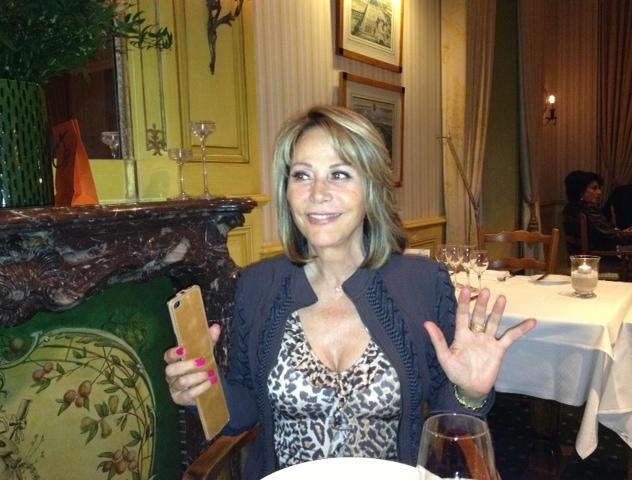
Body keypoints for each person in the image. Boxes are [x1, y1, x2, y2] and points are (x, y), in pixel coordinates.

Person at [164, 105, 536, 479]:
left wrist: (469, 392)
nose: (317, 193)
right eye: (302, 175)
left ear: (371, 188)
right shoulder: (257, 285)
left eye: (339, 174)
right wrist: (204, 390)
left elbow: (447, 421)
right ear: (286, 190)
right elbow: (244, 411)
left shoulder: (423, 283)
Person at [562, 170, 632, 253]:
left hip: (580, 256)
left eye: (599, 188)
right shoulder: (588, 209)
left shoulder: (569, 208)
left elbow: (605, 233)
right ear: (580, 191)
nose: (599, 192)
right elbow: (612, 238)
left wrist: (623, 233)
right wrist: (628, 234)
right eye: (594, 188)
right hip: (601, 256)